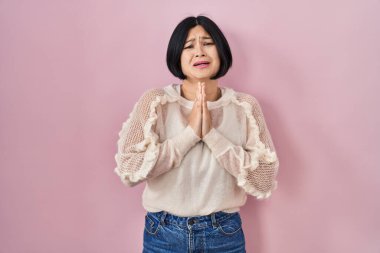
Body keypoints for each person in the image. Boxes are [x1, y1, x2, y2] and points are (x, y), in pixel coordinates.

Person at [114, 15, 279, 253]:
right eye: (189, 46)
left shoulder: (243, 106)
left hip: (223, 233)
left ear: (221, 50)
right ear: (176, 56)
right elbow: (129, 170)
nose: (199, 52)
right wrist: (190, 134)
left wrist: (212, 135)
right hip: (163, 232)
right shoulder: (155, 103)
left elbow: (264, 179)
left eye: (208, 43)